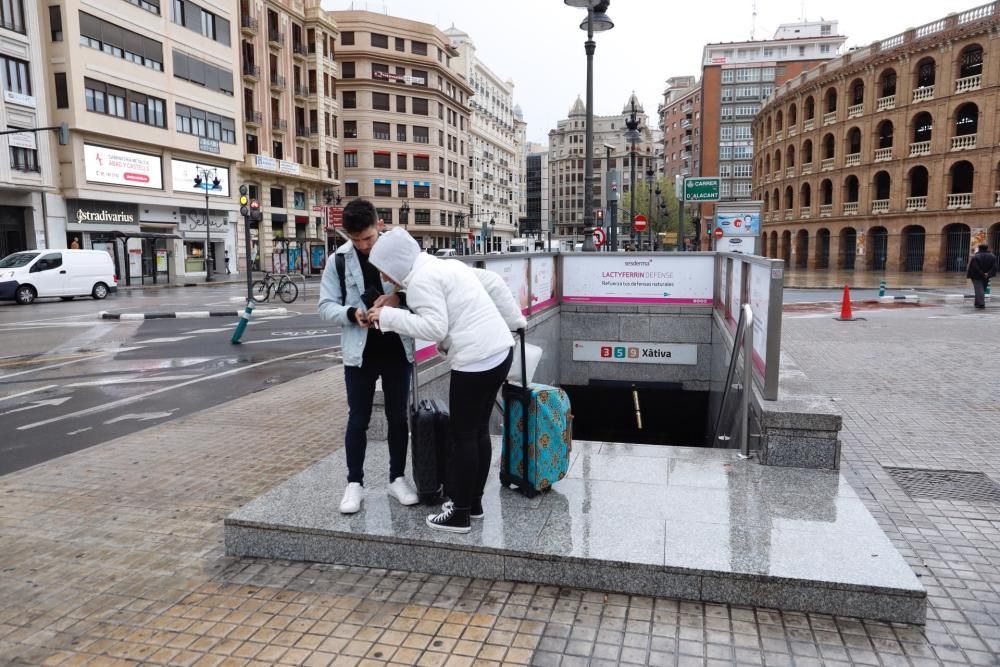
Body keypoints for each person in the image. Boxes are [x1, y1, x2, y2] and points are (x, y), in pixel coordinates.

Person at [367, 228, 527, 534]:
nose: (385, 277)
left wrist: (385, 318)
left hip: (476, 361)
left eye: (385, 270)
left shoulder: (422, 283)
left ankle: (460, 514)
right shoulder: (445, 266)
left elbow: (435, 328)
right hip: (499, 351)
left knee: (463, 436)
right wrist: (516, 321)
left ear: (396, 263)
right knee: (478, 431)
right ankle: (474, 504)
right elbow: (491, 282)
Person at [318, 199, 419, 514]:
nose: (363, 246)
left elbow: (422, 288)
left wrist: (396, 298)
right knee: (357, 418)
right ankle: (354, 484)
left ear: (380, 226)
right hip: (359, 353)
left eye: (369, 238)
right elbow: (325, 306)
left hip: (397, 348)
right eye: (356, 239)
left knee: (397, 417)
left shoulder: (397, 251)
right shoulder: (338, 261)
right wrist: (352, 313)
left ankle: (397, 478)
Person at [966, 243, 998, 309]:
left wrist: (982, 273)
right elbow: (994, 267)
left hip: (976, 275)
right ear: (987, 248)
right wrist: (988, 274)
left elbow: (975, 267)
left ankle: (981, 303)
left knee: (979, 289)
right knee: (982, 289)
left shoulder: (976, 256)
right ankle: (977, 303)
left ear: (979, 248)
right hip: (987, 276)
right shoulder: (993, 256)